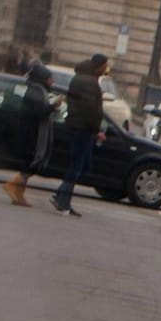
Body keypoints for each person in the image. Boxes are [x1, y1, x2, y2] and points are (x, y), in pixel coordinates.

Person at [54, 54, 110, 216]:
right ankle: (63, 200)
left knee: (83, 164)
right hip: (83, 128)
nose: (106, 69)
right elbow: (90, 109)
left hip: (78, 125)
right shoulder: (90, 83)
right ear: (98, 66)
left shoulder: (83, 79)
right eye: (105, 66)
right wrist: (97, 130)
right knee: (77, 165)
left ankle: (61, 195)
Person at [1, 63, 56, 206]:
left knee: (29, 163)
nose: (52, 81)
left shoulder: (37, 90)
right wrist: (52, 107)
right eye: (50, 78)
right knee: (30, 163)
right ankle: (12, 186)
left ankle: (19, 195)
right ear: (43, 78)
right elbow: (39, 112)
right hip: (32, 133)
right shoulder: (37, 92)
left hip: (30, 131)